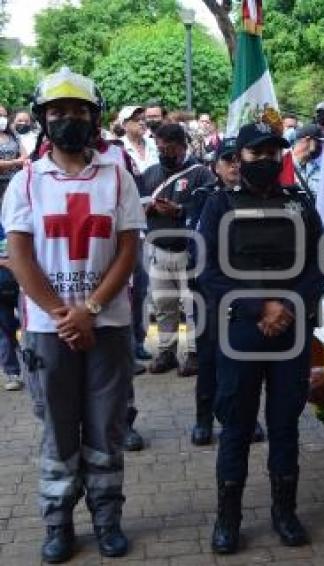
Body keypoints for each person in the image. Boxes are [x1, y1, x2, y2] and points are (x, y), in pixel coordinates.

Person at [2, 67, 145, 561]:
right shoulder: (25, 183)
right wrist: (64, 314)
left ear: (94, 118)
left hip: (108, 324)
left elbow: (128, 251)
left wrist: (91, 309)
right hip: (48, 330)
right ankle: (57, 522)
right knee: (58, 429)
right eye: (57, 112)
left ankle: (107, 519)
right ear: (42, 120)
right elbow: (19, 257)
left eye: (78, 111)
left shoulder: (118, 178)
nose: (68, 119)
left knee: (105, 428)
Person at [197, 122, 324, 554]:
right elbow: (207, 272)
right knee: (236, 426)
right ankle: (228, 518)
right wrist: (260, 308)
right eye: (257, 155)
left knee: (285, 424)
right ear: (240, 159)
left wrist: (287, 306)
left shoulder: (301, 204)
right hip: (240, 331)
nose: (267, 162)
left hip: (289, 332)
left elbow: (319, 266)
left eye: (274, 154)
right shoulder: (219, 205)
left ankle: (284, 512)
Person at [190, 137, 266, 446]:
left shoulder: (258, 196)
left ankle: (245, 417)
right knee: (209, 358)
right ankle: (203, 418)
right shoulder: (204, 196)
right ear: (215, 166)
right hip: (212, 292)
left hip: (248, 294)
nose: (235, 164)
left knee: (246, 362)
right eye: (227, 159)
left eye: (239, 158)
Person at [142, 123, 217, 376]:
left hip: (188, 251)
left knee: (192, 304)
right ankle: (166, 351)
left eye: (169, 148)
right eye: (160, 147)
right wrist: (147, 208)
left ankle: (195, 352)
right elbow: (137, 204)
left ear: (182, 146)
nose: (164, 152)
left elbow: (207, 208)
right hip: (158, 249)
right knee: (164, 304)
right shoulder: (150, 173)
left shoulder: (201, 174)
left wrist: (179, 210)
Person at [0, 219, 22, 391]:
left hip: (27, 284)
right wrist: (5, 262)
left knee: (28, 327)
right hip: (2, 286)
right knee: (4, 332)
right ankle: (12, 372)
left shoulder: (16, 219)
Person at [118, 105, 159, 173]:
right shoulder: (119, 147)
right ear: (124, 125)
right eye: (136, 120)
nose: (142, 123)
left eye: (143, 119)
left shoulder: (154, 143)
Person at [290, 124, 323, 198]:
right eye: (318, 141)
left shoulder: (318, 170)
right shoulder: (283, 164)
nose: (321, 146)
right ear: (306, 139)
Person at [0, 105, 25, 197]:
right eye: (0, 115)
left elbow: (24, 156)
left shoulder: (13, 135)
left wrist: (8, 163)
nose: (2, 119)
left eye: (4, 116)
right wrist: (16, 162)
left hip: (15, 183)